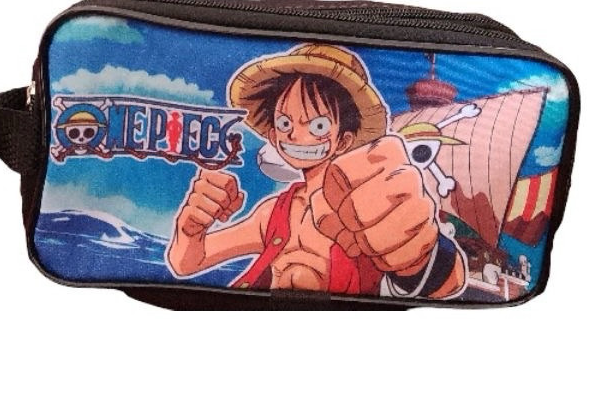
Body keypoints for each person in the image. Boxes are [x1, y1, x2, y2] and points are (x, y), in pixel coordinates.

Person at [166, 44, 466, 298]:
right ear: (273, 136)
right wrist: (191, 227)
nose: (296, 135)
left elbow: (450, 284)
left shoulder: (366, 205)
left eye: (318, 125)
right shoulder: (274, 212)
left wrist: (420, 258)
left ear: (344, 139)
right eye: (285, 123)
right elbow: (187, 263)